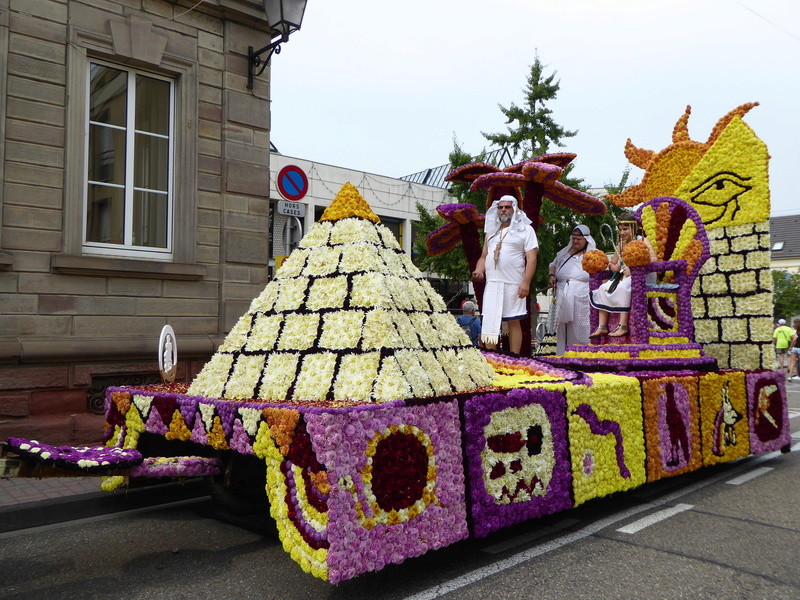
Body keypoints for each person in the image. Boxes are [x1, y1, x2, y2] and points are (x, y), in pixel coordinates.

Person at [473, 195, 538, 355]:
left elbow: (532, 258)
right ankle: (493, 358)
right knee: (490, 321)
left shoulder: (526, 230)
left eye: (507, 207)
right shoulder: (491, 232)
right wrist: (479, 271)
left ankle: (514, 358)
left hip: (514, 283)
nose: (503, 210)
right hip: (493, 283)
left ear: (514, 209)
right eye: (500, 207)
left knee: (513, 320)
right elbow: (484, 256)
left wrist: (526, 282)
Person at [589, 213, 656, 338]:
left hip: (641, 276)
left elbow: (653, 259)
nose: (622, 233)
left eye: (625, 229)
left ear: (633, 228)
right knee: (602, 288)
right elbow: (613, 262)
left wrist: (635, 269)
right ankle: (602, 327)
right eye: (620, 230)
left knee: (622, 288)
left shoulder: (642, 240)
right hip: (624, 276)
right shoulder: (621, 244)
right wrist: (613, 267)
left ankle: (623, 326)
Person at [549, 225, 595, 354]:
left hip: (581, 295)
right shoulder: (564, 253)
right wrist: (552, 275)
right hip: (563, 293)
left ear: (586, 239)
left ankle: (581, 356)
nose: (575, 241)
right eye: (574, 238)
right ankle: (562, 355)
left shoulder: (592, 255)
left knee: (580, 327)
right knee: (562, 328)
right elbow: (552, 265)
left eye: (579, 239)